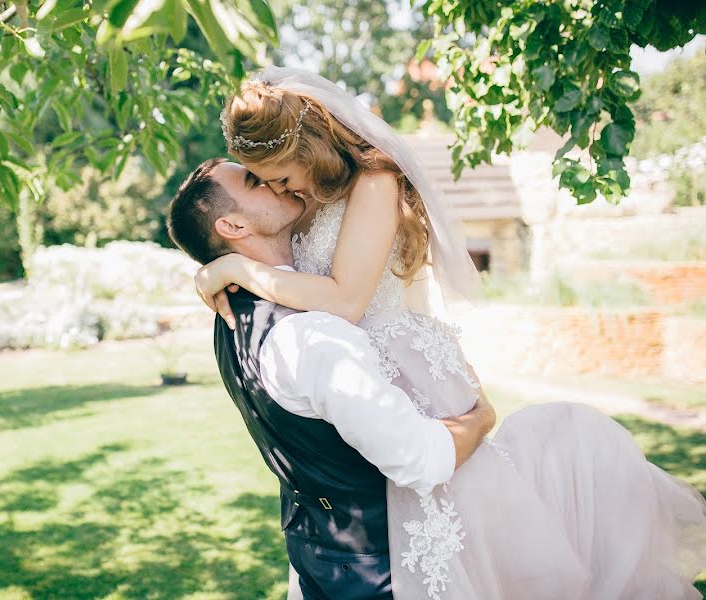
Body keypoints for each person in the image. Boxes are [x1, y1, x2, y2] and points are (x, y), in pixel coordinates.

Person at [191, 67, 706, 599]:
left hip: (401, 367)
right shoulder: (303, 199)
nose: (277, 189)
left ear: (308, 145)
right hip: (359, 374)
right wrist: (218, 262)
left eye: (277, 174)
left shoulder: (375, 181)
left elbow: (345, 299)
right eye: (264, 182)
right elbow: (262, 245)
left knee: (454, 535)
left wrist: (236, 270)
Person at [167, 157, 496, 599]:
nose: (270, 180)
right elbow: (420, 459)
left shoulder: (230, 319)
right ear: (232, 226)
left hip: (315, 550)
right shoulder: (313, 337)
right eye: (253, 181)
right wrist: (481, 417)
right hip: (379, 570)